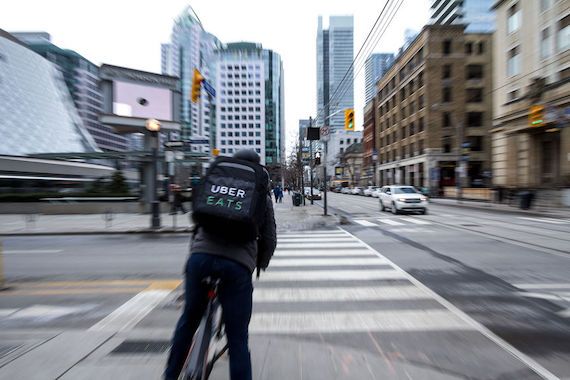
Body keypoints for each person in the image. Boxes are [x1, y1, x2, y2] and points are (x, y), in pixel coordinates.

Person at [164, 149, 277, 380]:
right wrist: (259, 264)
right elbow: (269, 239)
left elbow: (198, 222)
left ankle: (170, 376)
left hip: (200, 259)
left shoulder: (217, 181)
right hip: (236, 267)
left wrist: (194, 258)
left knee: (188, 322)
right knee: (237, 340)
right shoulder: (260, 193)